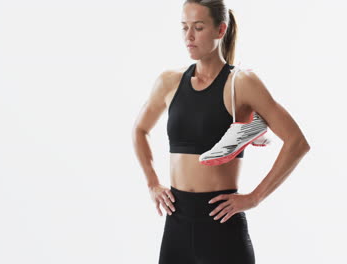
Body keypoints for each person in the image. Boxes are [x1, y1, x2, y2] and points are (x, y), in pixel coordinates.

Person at [131, 1, 310, 263]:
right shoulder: (169, 82)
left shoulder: (242, 83)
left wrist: (255, 198)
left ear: (220, 30)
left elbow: (297, 142)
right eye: (184, 28)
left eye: (199, 27)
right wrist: (152, 184)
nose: (189, 36)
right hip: (176, 223)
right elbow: (140, 129)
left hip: (221, 225)